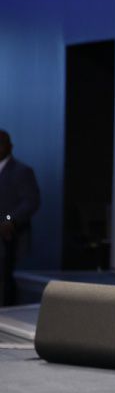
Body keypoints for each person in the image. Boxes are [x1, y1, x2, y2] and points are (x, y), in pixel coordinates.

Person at [0, 130, 41, 307]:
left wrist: (10, 219)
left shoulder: (21, 171)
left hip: (8, 237)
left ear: (10, 146)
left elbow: (31, 201)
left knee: (4, 279)